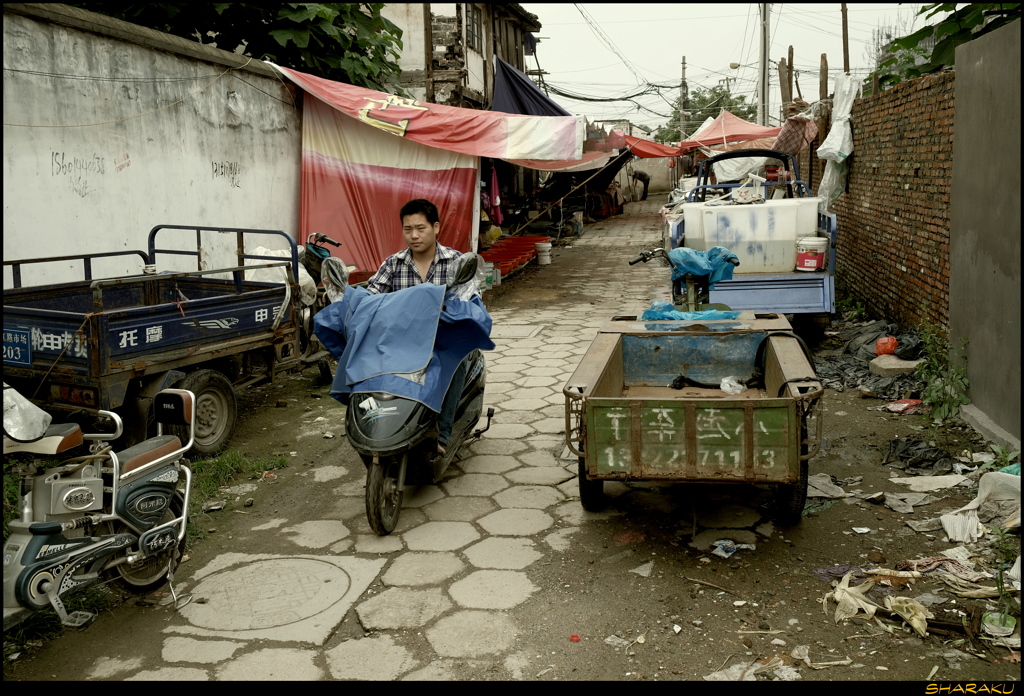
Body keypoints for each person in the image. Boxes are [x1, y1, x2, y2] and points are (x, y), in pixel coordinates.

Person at [365, 199, 466, 457]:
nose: (414, 235)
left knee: (454, 363)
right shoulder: (394, 263)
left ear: (436, 228)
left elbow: (469, 298)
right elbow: (372, 294)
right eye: (408, 229)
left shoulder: (456, 262)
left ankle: (442, 434)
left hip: (442, 340)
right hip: (402, 342)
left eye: (420, 228)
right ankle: (381, 428)